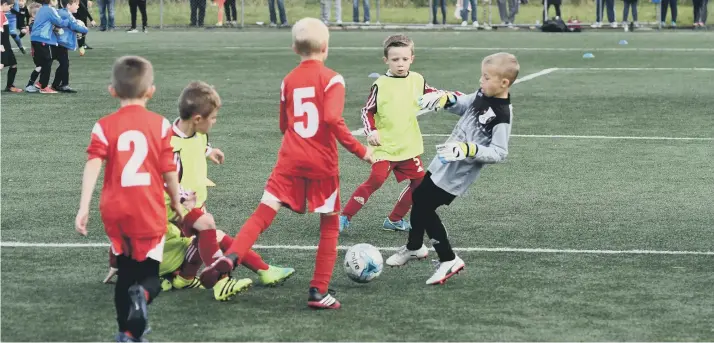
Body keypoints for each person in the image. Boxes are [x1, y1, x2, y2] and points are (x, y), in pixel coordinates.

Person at [217, 17, 373, 310]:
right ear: (326, 47)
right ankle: (318, 290)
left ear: (294, 48)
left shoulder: (288, 80)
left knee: (263, 213)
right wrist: (361, 151)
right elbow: (331, 119)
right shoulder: (333, 78)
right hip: (321, 163)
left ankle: (233, 256)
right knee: (329, 225)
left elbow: (283, 124)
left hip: (289, 158)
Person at [75, 56, 184, 341]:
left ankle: (126, 332)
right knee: (149, 274)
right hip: (147, 208)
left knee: (124, 272)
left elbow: (93, 163)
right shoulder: (160, 125)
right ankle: (143, 295)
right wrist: (176, 200)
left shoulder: (104, 126)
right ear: (151, 91)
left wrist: (84, 206)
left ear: (112, 91)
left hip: (115, 210)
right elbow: (168, 169)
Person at [386, 52, 519, 286]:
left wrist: (469, 149)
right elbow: (466, 104)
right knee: (419, 198)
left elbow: (499, 152)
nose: (481, 81)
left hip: (458, 173)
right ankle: (415, 247)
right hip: (443, 161)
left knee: (425, 208)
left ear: (504, 83)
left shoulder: (502, 115)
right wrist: (445, 100)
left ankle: (449, 259)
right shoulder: (483, 93)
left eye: (486, 77)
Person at [341, 34, 453, 233]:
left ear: (412, 59)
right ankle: (345, 217)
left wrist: (456, 98)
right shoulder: (380, 85)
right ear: (386, 61)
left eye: (404, 59)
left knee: (420, 184)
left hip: (408, 146)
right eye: (395, 60)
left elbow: (436, 94)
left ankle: (394, 219)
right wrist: (371, 131)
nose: (400, 64)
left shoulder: (417, 80)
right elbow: (367, 110)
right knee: (375, 181)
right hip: (385, 147)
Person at [52, 0, 88, 93]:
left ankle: (56, 84)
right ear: (68, 5)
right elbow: (74, 26)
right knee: (63, 63)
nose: (78, 6)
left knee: (62, 63)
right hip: (60, 43)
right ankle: (63, 85)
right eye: (76, 4)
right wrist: (85, 29)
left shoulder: (63, 12)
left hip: (59, 42)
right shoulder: (65, 14)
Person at [1, 0, 23, 93]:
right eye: (10, 6)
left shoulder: (2, 14)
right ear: (4, 4)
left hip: (7, 45)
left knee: (13, 64)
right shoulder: (0, 15)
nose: (11, 9)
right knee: (1, 66)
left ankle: (10, 86)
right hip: (3, 45)